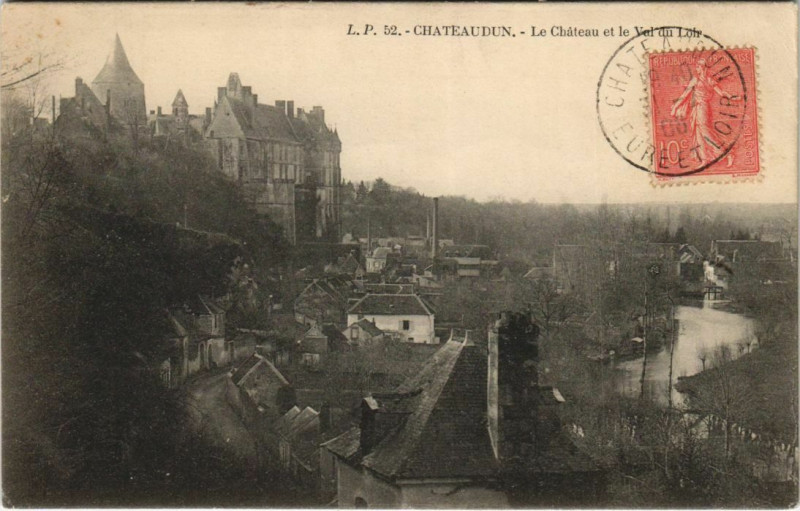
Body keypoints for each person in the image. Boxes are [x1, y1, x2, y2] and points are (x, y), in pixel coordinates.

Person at [670, 58, 735, 167]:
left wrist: (731, 96)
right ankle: (704, 160)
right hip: (696, 108)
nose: (697, 68)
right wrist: (675, 107)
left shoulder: (709, 80)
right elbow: (684, 95)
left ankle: (727, 153)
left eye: (699, 67)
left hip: (703, 108)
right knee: (698, 134)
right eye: (697, 66)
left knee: (705, 133)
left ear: (703, 68)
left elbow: (721, 92)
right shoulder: (696, 80)